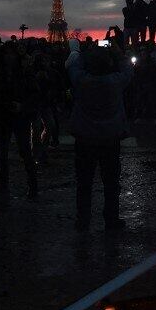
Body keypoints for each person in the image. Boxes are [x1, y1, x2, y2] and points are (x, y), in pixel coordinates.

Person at [67, 41, 133, 230]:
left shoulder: (82, 81)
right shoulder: (115, 82)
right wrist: (119, 54)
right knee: (111, 182)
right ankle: (111, 219)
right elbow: (128, 71)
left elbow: (73, 67)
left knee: (84, 182)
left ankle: (83, 219)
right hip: (110, 138)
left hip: (85, 137)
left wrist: (83, 52)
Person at [0, 42, 38, 202]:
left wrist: (22, 106)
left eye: (12, 54)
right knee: (4, 153)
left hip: (16, 115)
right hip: (5, 116)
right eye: (7, 54)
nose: (9, 57)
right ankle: (8, 186)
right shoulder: (2, 73)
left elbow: (34, 95)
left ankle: (30, 184)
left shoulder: (22, 73)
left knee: (23, 152)